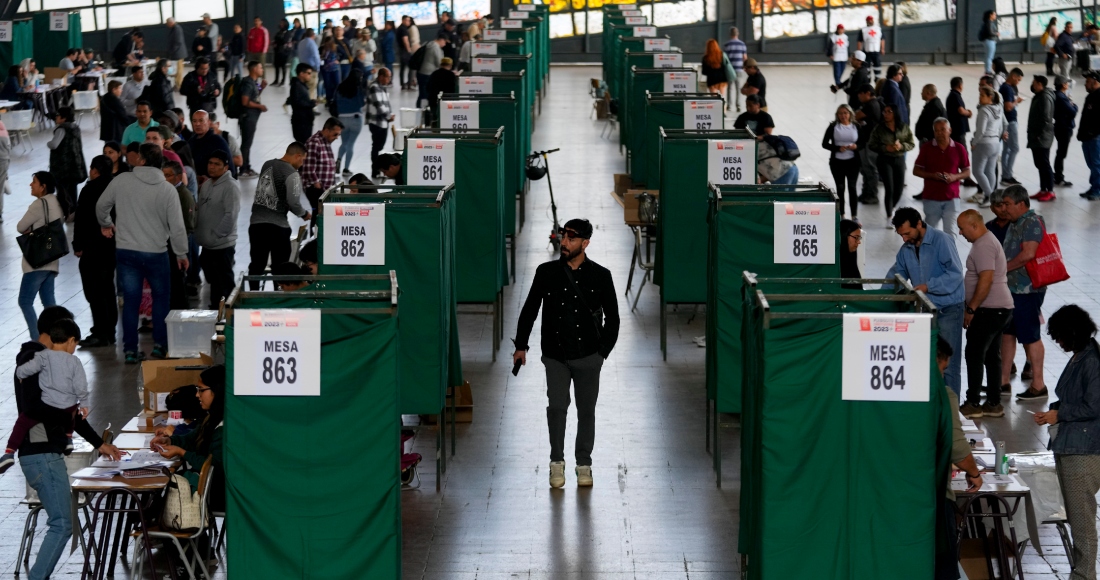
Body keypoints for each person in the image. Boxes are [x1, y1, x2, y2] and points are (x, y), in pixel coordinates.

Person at [6, 306, 120, 579]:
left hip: (45, 451)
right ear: (58, 333)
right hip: (42, 451)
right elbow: (37, 407)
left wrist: (97, 443)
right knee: (62, 524)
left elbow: (65, 406)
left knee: (61, 523)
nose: (73, 348)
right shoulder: (37, 360)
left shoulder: (42, 359)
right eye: (71, 340)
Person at [513, 218, 619, 489]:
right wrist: (520, 346)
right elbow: (530, 309)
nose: (564, 243)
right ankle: (556, 462)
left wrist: (601, 354)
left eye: (571, 239)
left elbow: (614, 319)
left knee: (586, 411)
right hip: (555, 356)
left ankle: (584, 464)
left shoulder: (601, 275)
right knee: (557, 408)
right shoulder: (546, 272)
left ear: (585, 243)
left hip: (588, 357)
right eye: (563, 237)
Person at [97, 143, 189, 363]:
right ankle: (159, 346)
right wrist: (181, 253)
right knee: (160, 300)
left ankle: (130, 350)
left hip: (126, 252)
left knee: (130, 301)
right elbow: (177, 226)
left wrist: (107, 223)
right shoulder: (167, 189)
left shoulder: (121, 181)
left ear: (141, 160)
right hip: (156, 253)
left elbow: (101, 206)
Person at [1033, 305, 1100, 580]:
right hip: (1070, 445)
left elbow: (1094, 405)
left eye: (1060, 336)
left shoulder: (1091, 361)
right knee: (1076, 516)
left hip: (1082, 452)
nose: (1058, 342)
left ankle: (1084, 575)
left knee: (1082, 520)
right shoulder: (1081, 356)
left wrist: (1059, 413)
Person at [884, 207, 965, 394]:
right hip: (927, 312)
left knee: (949, 364)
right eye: (901, 235)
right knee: (929, 361)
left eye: (907, 233)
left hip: (949, 309)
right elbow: (896, 276)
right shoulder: (907, 249)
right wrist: (882, 299)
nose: (904, 239)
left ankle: (951, 413)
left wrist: (928, 286)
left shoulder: (942, 240)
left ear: (919, 224)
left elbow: (955, 275)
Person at [955, 209, 1014, 418]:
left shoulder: (984, 246)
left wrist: (971, 308)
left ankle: (973, 403)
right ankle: (993, 403)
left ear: (974, 225)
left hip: (990, 309)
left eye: (962, 228)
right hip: (999, 309)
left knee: (974, 353)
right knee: (991, 355)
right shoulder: (986, 241)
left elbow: (986, 280)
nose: (960, 233)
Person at [994, 185, 1048, 400]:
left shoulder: (1032, 222)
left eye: (1008, 204)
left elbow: (1028, 254)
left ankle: (1038, 385)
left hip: (1027, 289)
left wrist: (1003, 269)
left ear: (1021, 203)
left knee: (1030, 335)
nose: (1004, 208)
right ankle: (1003, 381)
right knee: (1008, 334)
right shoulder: (1016, 222)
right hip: (1011, 288)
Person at [152, 365, 226, 512]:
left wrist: (182, 452)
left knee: (164, 494)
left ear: (217, 391)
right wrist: (170, 441)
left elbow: (213, 468)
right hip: (207, 488)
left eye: (201, 390)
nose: (197, 395)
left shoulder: (224, 428)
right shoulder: (211, 418)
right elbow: (192, 439)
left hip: (216, 494)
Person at [249, 142, 311, 291]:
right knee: (280, 266)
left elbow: (267, 194)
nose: (302, 164)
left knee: (257, 263)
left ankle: (253, 294)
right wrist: (304, 214)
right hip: (278, 227)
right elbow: (294, 202)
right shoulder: (292, 174)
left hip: (257, 225)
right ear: (297, 156)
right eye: (302, 159)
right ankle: (279, 294)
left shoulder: (267, 165)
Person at [72, 156, 118, 347]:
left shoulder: (90, 189)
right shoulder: (117, 188)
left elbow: (81, 219)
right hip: (112, 247)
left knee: (94, 291)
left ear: (94, 170)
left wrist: (78, 245)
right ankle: (110, 331)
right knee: (108, 289)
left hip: (92, 249)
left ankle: (100, 331)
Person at [17, 173, 64, 340]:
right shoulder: (56, 202)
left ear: (43, 186)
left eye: (34, 182)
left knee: (25, 300)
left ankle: (38, 339)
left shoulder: (39, 204)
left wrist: (30, 230)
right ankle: (58, 337)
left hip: (37, 261)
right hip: (52, 259)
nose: (31, 184)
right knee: (49, 303)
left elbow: (20, 226)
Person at [195, 150, 239, 308]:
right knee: (213, 282)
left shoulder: (230, 187)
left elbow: (231, 215)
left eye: (217, 164)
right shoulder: (207, 184)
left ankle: (227, 314)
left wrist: (216, 235)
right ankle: (216, 310)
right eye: (210, 163)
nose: (212, 167)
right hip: (207, 246)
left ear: (226, 167)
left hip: (222, 246)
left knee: (224, 285)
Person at [913, 118, 970, 237]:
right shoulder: (927, 148)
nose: (939, 133)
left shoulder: (959, 148)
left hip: (952, 199)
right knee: (929, 234)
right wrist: (932, 176)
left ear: (950, 130)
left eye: (943, 129)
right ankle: (929, 255)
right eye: (936, 130)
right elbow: (916, 170)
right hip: (931, 198)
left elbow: (967, 171)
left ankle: (948, 255)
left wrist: (954, 177)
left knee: (951, 233)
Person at [868, 104, 914, 220]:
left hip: (899, 159)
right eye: (885, 112)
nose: (886, 114)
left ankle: (891, 206)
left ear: (895, 113)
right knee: (889, 187)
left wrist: (902, 146)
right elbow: (872, 144)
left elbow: (911, 143)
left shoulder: (903, 127)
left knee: (899, 188)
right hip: (885, 159)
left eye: (889, 111)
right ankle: (889, 216)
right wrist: (885, 148)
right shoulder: (879, 128)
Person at [162, 161, 195, 309]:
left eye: (167, 175)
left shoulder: (182, 194)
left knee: (177, 282)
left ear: (178, 177)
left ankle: (181, 311)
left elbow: (187, 224)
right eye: (162, 175)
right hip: (167, 243)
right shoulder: (167, 192)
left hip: (176, 244)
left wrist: (180, 248)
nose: (164, 178)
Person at [969, 86, 1007, 207]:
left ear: (990, 97)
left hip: (983, 143)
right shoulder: (999, 109)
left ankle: (991, 197)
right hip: (995, 143)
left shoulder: (984, 110)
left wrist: (974, 143)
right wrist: (1000, 136)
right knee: (990, 171)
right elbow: (1003, 125)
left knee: (977, 171)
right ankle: (992, 197)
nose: (979, 98)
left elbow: (981, 130)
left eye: (982, 96)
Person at [822, 104, 862, 219]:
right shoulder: (833, 126)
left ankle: (854, 215)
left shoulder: (856, 126)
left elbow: (863, 142)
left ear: (850, 114)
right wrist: (837, 148)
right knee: (840, 188)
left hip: (853, 162)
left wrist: (856, 146)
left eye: (845, 113)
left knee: (852, 187)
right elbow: (824, 143)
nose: (843, 116)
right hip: (837, 162)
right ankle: (842, 214)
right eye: (840, 113)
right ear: (837, 115)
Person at [46, 107, 86, 219]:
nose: (56, 117)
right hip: (75, 165)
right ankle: (73, 212)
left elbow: (54, 144)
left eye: (58, 115)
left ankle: (67, 212)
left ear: (63, 118)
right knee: (72, 190)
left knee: (63, 191)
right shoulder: (75, 128)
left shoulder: (61, 129)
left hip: (62, 167)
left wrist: (48, 143)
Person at [301, 118, 345, 214]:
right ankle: (314, 229)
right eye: (335, 134)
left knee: (322, 214)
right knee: (318, 213)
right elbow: (309, 166)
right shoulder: (314, 142)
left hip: (324, 188)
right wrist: (317, 184)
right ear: (326, 130)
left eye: (339, 134)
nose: (337, 137)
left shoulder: (325, 142)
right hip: (315, 188)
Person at [1028, 75, 1057, 201]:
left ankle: (1050, 191)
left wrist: (1040, 134)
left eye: (1034, 83)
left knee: (1044, 163)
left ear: (1040, 84)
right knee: (1039, 163)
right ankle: (1043, 189)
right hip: (1037, 135)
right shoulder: (1039, 95)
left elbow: (1046, 118)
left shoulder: (1045, 97)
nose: (1032, 85)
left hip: (1042, 136)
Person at [238, 61, 267, 177]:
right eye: (260, 68)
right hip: (247, 117)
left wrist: (262, 88)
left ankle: (246, 166)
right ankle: (243, 168)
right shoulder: (248, 83)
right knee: (246, 143)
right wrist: (260, 106)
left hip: (251, 117)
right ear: (254, 69)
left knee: (247, 143)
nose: (262, 70)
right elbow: (245, 101)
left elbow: (254, 95)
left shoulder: (254, 82)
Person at [188, 110, 234, 182]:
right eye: (194, 121)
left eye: (201, 120)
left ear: (209, 122)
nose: (197, 124)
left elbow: (229, 169)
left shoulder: (218, 142)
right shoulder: (191, 142)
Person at [335, 69, 366, 175]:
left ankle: (338, 159)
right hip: (356, 118)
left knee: (344, 143)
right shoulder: (358, 88)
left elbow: (335, 101)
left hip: (342, 119)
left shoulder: (340, 87)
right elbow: (361, 103)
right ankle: (346, 169)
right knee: (351, 144)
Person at [856, 84, 883, 205]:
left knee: (871, 169)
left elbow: (856, 116)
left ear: (867, 93)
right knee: (865, 169)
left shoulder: (871, 104)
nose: (859, 96)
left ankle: (872, 195)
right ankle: (866, 193)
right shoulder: (870, 104)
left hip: (870, 143)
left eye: (860, 94)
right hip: (866, 141)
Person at [999, 67, 1024, 186]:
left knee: (1007, 149)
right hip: (1010, 122)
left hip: (1005, 122)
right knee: (1014, 148)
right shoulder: (1007, 89)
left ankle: (1005, 175)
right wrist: (1017, 102)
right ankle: (1007, 175)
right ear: (1013, 76)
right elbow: (1008, 107)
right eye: (1018, 79)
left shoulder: (1004, 87)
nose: (1018, 82)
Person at [1053, 75, 1078, 188]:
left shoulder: (1059, 95)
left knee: (1061, 153)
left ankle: (1058, 175)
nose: (1068, 85)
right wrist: (1075, 106)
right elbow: (1072, 112)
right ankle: (1058, 176)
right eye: (1067, 83)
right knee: (1061, 153)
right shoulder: (1061, 97)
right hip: (1064, 128)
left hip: (1061, 126)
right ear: (1063, 84)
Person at [1080, 70, 1100, 200]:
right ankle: (1093, 186)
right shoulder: (1091, 96)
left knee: (1096, 164)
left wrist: (1093, 132)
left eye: (1087, 82)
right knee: (1091, 164)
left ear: (1095, 82)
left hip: (1095, 137)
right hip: (1087, 137)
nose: (1085, 84)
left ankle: (1097, 190)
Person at [367, 68, 394, 162]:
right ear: (381, 76)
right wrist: (388, 116)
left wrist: (390, 115)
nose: (389, 79)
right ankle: (375, 169)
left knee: (380, 145)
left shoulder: (383, 87)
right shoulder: (374, 87)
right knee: (376, 146)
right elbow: (378, 104)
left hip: (383, 122)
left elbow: (386, 103)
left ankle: (377, 166)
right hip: (376, 122)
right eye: (388, 77)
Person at [288, 63, 316, 143]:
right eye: (308, 73)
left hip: (304, 120)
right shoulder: (296, 86)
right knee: (303, 144)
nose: (310, 76)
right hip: (301, 122)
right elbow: (297, 102)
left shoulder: (301, 85)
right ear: (301, 73)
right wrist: (311, 104)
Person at [418, 34, 447, 108]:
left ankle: (419, 108)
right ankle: (423, 110)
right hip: (428, 73)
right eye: (444, 42)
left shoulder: (429, 44)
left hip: (422, 71)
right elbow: (439, 62)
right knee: (425, 94)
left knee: (422, 93)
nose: (445, 44)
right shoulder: (435, 47)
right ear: (441, 40)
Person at [425, 57, 457, 122]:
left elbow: (427, 87)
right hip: (447, 101)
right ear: (450, 65)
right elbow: (453, 89)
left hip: (433, 100)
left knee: (435, 117)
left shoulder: (434, 74)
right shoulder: (451, 75)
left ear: (441, 65)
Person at [723, 27, 747, 112]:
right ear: (738, 34)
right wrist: (745, 67)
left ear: (730, 34)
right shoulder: (742, 44)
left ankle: (729, 106)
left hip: (730, 70)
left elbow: (724, 58)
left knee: (729, 88)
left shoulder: (727, 44)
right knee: (738, 88)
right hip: (739, 69)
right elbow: (744, 57)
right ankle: (738, 106)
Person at [858, 15, 885, 81]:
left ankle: (877, 79)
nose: (870, 21)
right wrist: (859, 52)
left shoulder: (878, 29)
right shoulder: (863, 30)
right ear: (866, 21)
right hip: (867, 52)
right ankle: (867, 80)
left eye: (871, 20)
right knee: (867, 67)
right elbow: (859, 41)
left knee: (877, 66)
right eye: (868, 20)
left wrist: (882, 48)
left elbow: (882, 39)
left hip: (876, 51)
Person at [298, 29, 322, 101]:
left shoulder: (301, 43)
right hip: (311, 69)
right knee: (312, 89)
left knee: (305, 88)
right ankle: (311, 108)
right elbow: (316, 56)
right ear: (313, 35)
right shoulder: (312, 43)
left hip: (303, 68)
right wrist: (317, 67)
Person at [839, 219, 863, 288]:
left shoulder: (851, 256)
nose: (859, 242)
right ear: (844, 236)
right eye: (856, 238)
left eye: (859, 238)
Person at [164, 18, 187, 90]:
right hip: (176, 53)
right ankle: (177, 84)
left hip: (178, 53)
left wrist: (171, 51)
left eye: (167, 23)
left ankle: (180, 85)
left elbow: (178, 42)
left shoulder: (177, 29)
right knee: (176, 70)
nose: (167, 25)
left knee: (179, 70)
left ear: (171, 23)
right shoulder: (174, 29)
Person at [273, 19, 292, 86]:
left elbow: (284, 41)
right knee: (277, 66)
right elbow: (276, 39)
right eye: (280, 23)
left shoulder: (287, 32)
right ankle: (276, 80)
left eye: (282, 23)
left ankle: (283, 81)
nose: (281, 24)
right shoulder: (279, 32)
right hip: (277, 51)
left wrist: (278, 41)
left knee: (283, 66)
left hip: (284, 52)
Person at [396, 16, 413, 89]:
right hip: (405, 51)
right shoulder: (403, 29)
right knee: (411, 67)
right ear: (403, 20)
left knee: (402, 68)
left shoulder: (399, 28)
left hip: (401, 50)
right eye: (407, 20)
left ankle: (402, 84)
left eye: (409, 20)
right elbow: (405, 40)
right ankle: (409, 84)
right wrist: (409, 50)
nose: (409, 22)